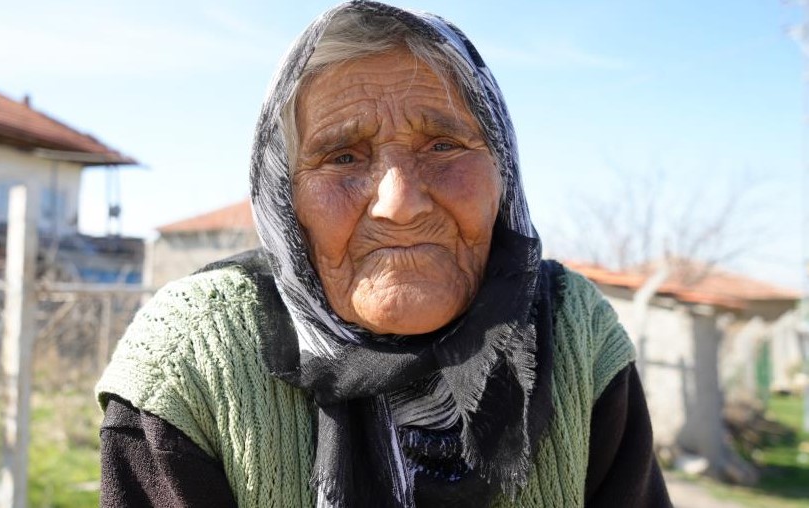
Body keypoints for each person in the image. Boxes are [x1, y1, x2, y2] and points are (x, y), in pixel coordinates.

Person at [96, 1, 672, 507]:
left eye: (444, 146)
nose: (399, 204)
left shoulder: (573, 333)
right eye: (343, 157)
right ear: (283, 197)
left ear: (503, 174)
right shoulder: (194, 357)